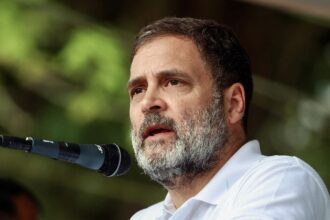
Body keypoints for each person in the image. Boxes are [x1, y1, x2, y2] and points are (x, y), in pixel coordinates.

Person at [128, 17, 330, 220]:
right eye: (138, 90)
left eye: (173, 82)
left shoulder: (282, 180)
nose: (147, 103)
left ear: (233, 104)